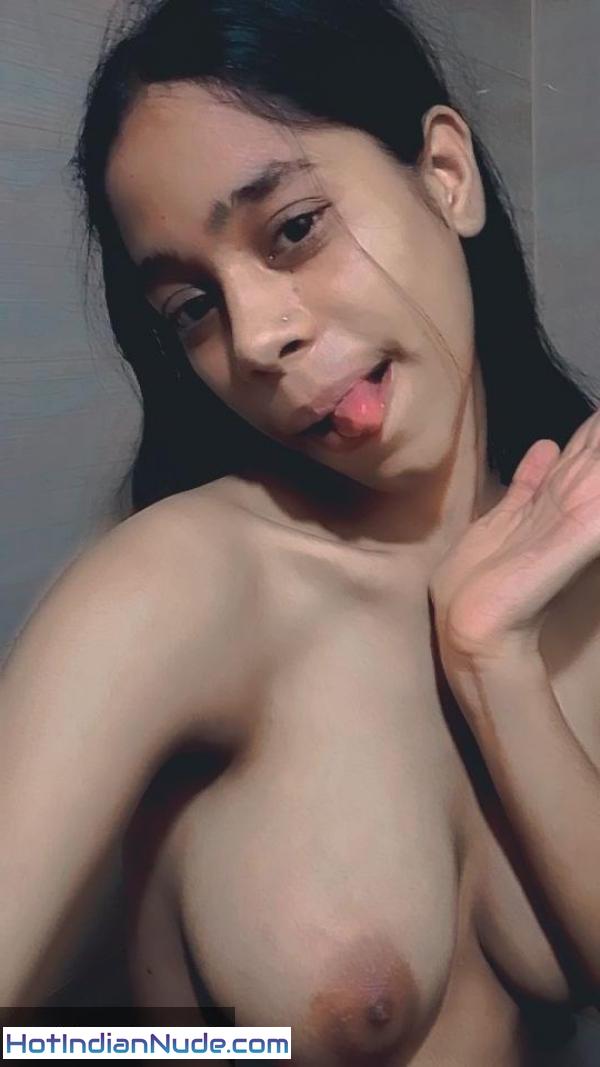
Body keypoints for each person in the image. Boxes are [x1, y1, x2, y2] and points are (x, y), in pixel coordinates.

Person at [1, 0, 599, 1061]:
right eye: (192, 307)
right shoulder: (182, 586)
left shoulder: (571, 559)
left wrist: (491, 656)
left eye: (292, 229)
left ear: (445, 174)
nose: (257, 337)